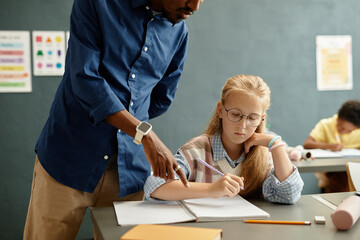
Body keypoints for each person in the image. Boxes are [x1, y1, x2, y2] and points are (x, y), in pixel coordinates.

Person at [24, 0, 205, 239]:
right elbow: (85, 79)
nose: (194, 6)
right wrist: (143, 133)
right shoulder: (97, 4)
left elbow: (162, 98)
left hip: (127, 173)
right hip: (68, 161)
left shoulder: (178, 32)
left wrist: (128, 125)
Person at [144, 75, 304, 203]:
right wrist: (211, 189)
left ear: (261, 119)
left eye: (252, 118)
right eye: (235, 114)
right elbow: (155, 186)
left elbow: (289, 194)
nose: (242, 125)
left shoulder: (264, 155)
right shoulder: (196, 151)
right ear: (221, 110)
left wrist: (275, 143)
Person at [304, 99, 360, 193]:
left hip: (352, 166)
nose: (343, 131)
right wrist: (328, 146)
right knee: (341, 177)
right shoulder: (325, 124)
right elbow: (307, 144)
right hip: (334, 172)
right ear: (338, 118)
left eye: (349, 131)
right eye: (341, 127)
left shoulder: (357, 131)